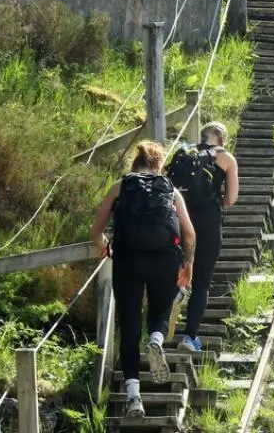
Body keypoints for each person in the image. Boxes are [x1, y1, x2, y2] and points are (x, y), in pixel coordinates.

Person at [91, 141, 196, 419]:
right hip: (164, 258)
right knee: (161, 310)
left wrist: (105, 246)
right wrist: (188, 264)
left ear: (135, 163)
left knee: (129, 323)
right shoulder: (170, 189)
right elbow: (190, 234)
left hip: (128, 258)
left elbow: (97, 229)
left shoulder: (120, 186)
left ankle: (134, 398)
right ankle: (157, 339)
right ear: (160, 164)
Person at [166, 122, 238, 353]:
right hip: (208, 222)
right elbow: (231, 199)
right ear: (223, 140)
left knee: (174, 270)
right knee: (202, 282)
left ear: (203, 136)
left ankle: (158, 330)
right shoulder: (226, 158)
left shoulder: (186, 152)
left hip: (180, 219)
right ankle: (189, 338)